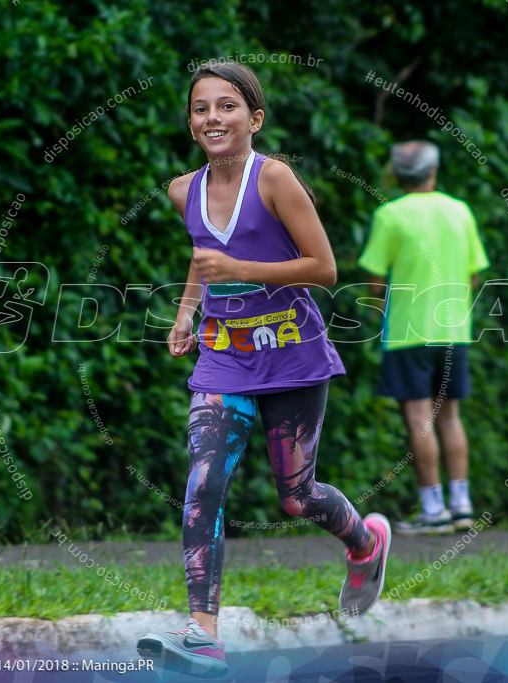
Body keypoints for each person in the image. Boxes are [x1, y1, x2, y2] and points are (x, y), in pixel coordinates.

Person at [135, 63, 391, 677]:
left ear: (254, 119)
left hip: (293, 355)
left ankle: (366, 543)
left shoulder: (274, 178)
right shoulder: (181, 190)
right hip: (223, 357)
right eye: (201, 108)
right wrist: (187, 312)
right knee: (204, 484)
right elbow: (203, 256)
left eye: (227, 107)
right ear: (191, 122)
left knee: (296, 498)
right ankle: (203, 633)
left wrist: (239, 270)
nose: (213, 118)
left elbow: (324, 267)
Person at [358, 140, 489, 535]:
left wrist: (377, 304)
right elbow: (474, 274)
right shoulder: (459, 211)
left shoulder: (390, 215)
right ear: (433, 171)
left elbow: (374, 283)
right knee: (449, 417)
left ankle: (433, 509)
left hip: (407, 333)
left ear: (397, 176)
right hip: (453, 330)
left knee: (419, 418)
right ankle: (462, 505)